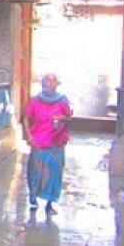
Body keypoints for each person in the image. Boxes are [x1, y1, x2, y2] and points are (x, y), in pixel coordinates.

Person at [21, 73, 73, 214]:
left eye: (53, 81)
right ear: (43, 83)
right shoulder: (35, 100)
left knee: (54, 171)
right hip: (38, 140)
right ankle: (33, 198)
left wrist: (61, 117)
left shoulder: (62, 100)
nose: (51, 83)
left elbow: (68, 117)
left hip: (56, 141)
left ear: (57, 83)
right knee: (35, 171)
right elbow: (26, 118)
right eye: (48, 80)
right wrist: (29, 135)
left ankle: (50, 203)